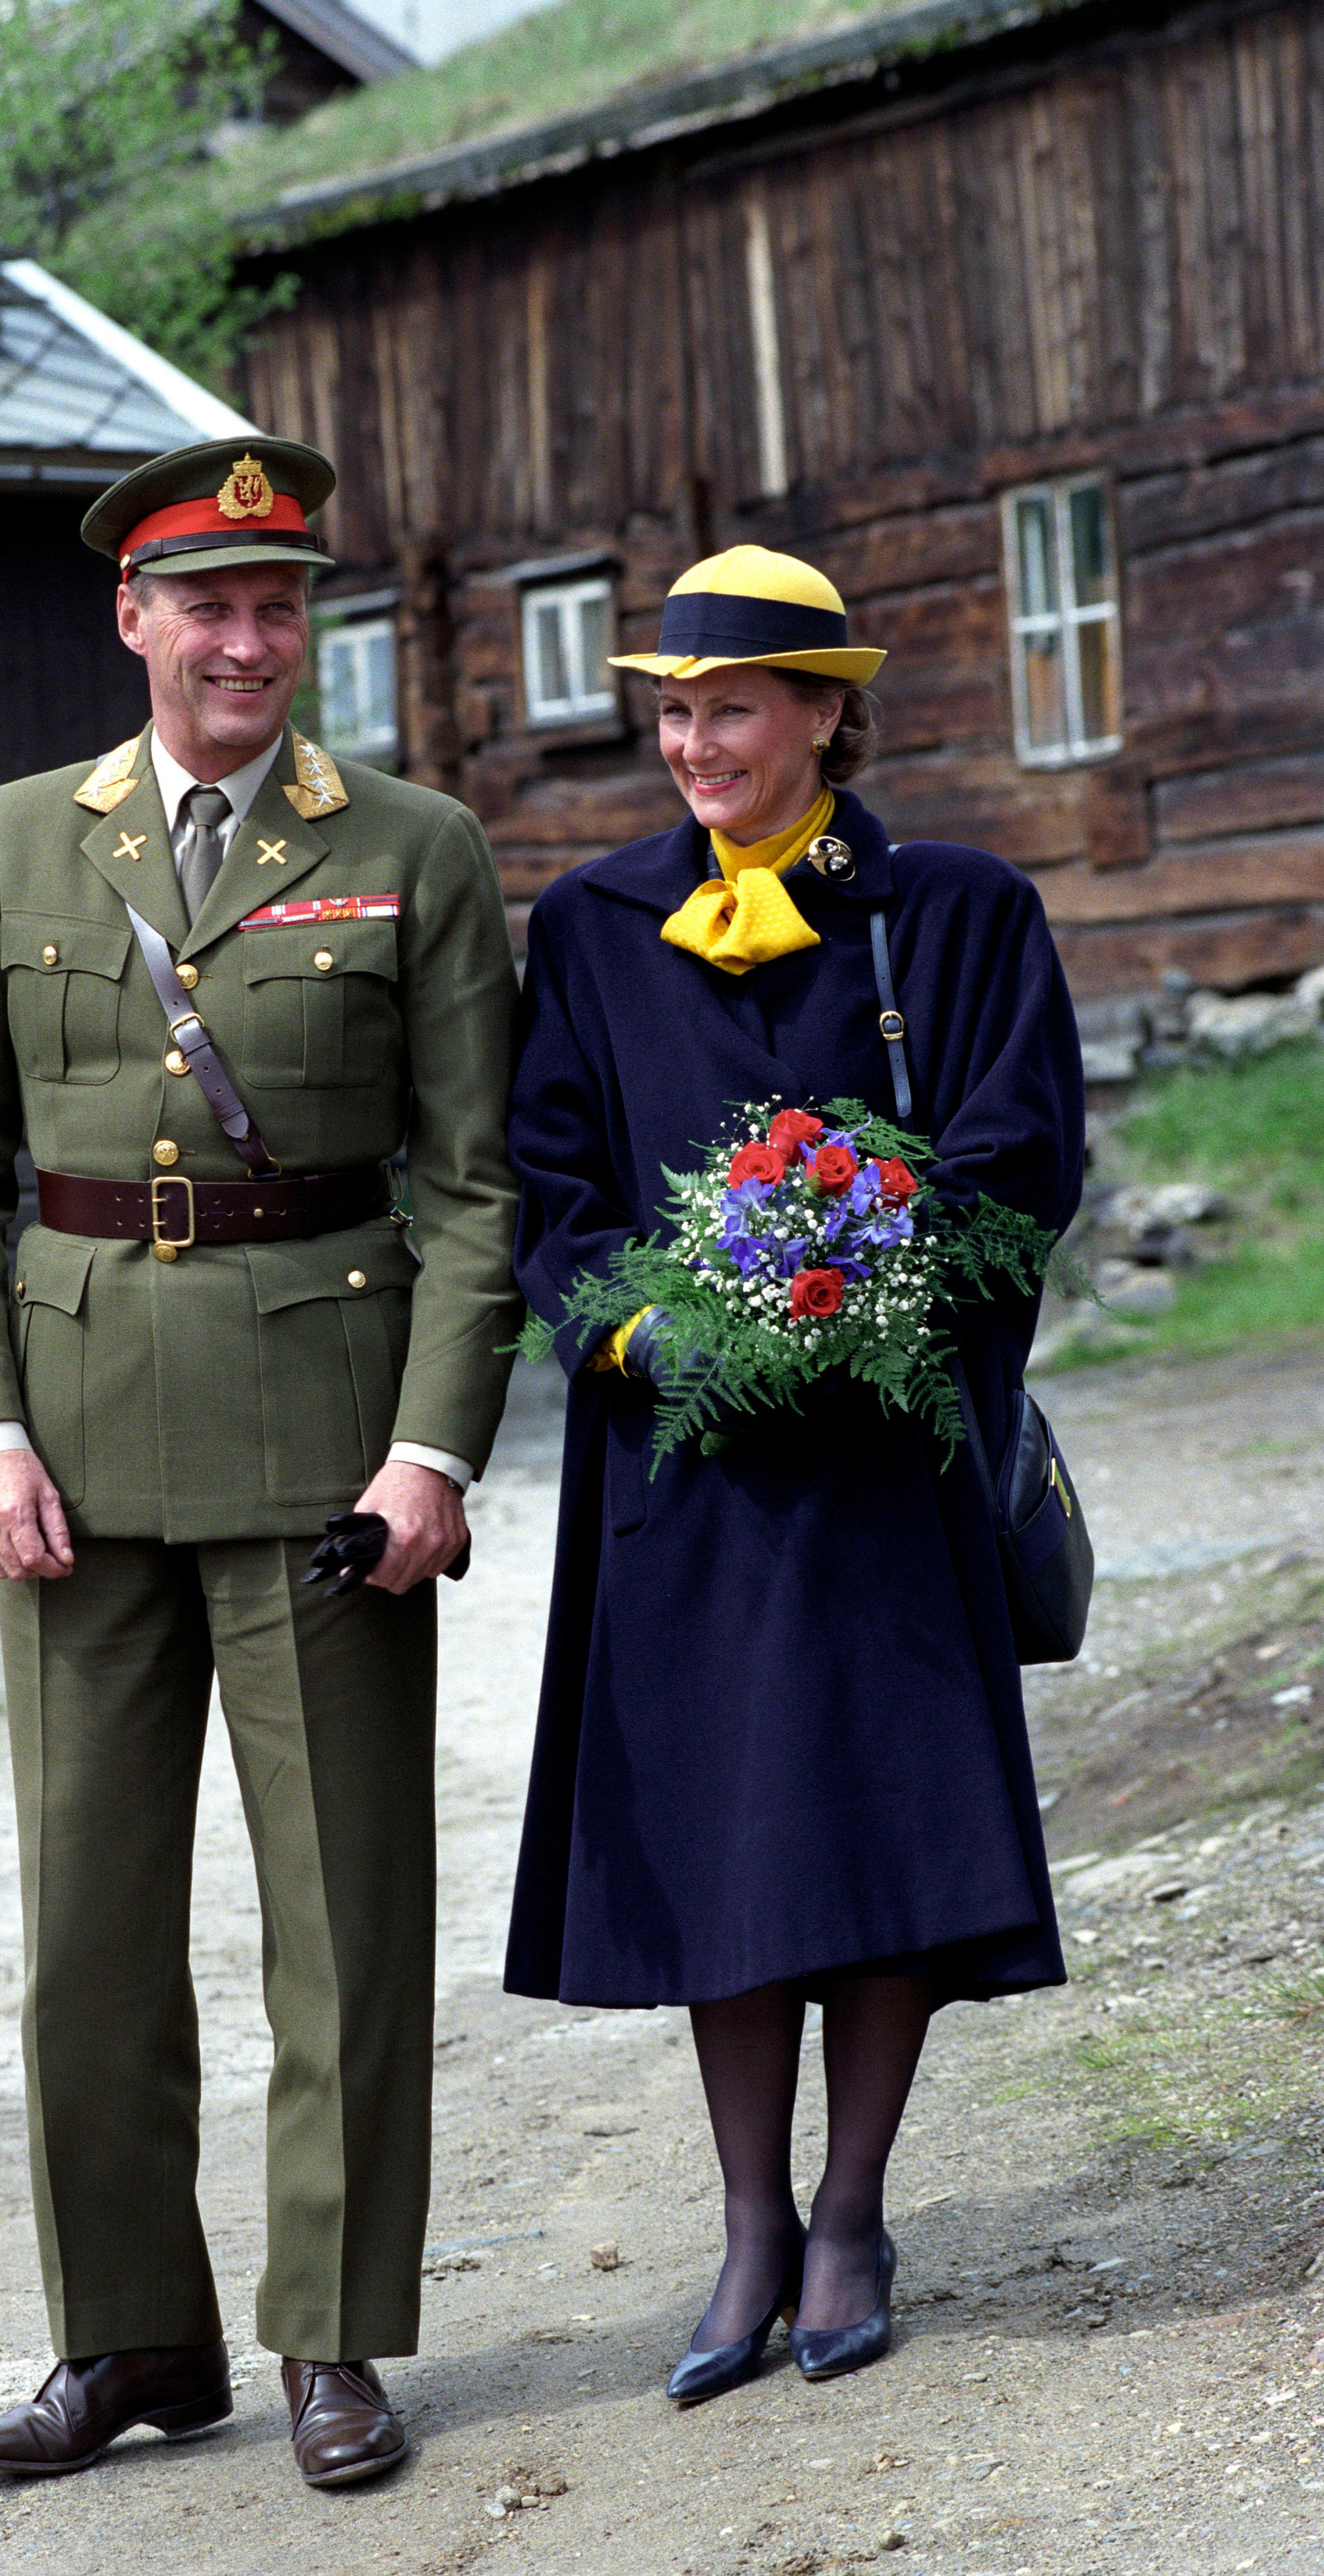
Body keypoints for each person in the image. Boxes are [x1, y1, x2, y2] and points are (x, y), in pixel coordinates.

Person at [0, 436, 520, 2487]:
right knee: (86, 1934)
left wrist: (433, 1447)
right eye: (209, 606)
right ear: (133, 618)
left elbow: (476, 1186)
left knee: (344, 1923)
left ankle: (335, 2332)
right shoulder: (11, 842)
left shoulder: (413, 844)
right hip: (70, 1463)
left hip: (330, 1458)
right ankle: (133, 2337)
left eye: (278, 605)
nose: (248, 641)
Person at [502, 545, 1083, 2399]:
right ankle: (750, 2222)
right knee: (730, 1832)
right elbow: (550, 1190)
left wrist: (862, 1300)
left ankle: (850, 2213)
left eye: (733, 709)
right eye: (675, 713)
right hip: (686, 1477)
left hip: (885, 1458)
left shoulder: (958, 911)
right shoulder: (592, 926)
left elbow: (1017, 1155)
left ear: (829, 714)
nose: (696, 744)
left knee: (879, 1823)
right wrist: (650, 1335)